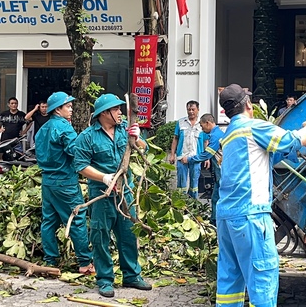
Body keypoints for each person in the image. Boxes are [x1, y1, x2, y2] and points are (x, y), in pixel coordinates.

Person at [215, 84, 306, 307]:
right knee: (262, 278)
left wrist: (301, 142)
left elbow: (264, 158)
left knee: (230, 281)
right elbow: (290, 140)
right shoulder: (253, 128)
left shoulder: (230, 136)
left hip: (227, 217)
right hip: (250, 215)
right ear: (248, 105)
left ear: (225, 112)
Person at [73, 94, 152, 298]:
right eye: (116, 110)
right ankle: (105, 279)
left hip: (125, 192)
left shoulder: (124, 129)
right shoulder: (88, 136)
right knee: (100, 236)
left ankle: (132, 275)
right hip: (101, 194)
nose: (119, 113)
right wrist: (104, 178)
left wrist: (138, 138)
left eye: (119, 109)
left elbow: (144, 148)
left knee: (128, 234)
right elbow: (80, 166)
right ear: (104, 113)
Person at [35, 92, 94, 275]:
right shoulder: (64, 128)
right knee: (76, 219)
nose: (71, 109)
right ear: (57, 109)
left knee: (48, 222)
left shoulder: (42, 130)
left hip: (47, 182)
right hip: (65, 182)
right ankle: (85, 262)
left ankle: (50, 261)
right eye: (68, 106)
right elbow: (76, 152)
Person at [181, 113, 223, 226]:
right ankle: (214, 221)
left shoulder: (216, 136)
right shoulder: (216, 134)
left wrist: (189, 159)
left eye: (202, 125)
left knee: (219, 198)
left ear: (208, 123)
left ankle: (217, 222)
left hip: (223, 174)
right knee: (215, 197)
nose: (201, 128)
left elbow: (205, 155)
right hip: (220, 174)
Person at [168, 100, 207, 198]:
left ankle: (193, 205)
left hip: (196, 157)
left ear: (198, 110)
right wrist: (172, 154)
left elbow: (205, 141)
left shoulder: (202, 124)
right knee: (182, 183)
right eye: (189, 109)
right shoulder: (180, 122)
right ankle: (181, 204)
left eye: (193, 109)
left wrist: (207, 158)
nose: (191, 112)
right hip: (182, 157)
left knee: (194, 183)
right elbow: (175, 139)